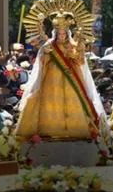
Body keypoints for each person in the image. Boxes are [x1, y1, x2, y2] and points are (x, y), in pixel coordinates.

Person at [16, 10, 105, 140]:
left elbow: (80, 62)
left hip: (71, 78)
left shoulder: (74, 45)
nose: (62, 36)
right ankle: (48, 128)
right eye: (59, 33)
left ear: (67, 33)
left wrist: (77, 53)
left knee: (74, 101)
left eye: (64, 33)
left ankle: (76, 129)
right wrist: (45, 54)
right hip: (52, 78)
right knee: (50, 101)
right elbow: (41, 63)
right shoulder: (49, 45)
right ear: (55, 33)